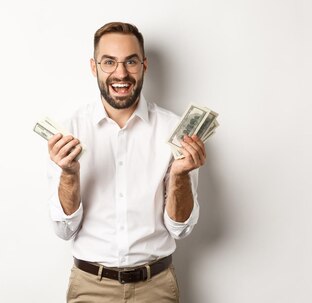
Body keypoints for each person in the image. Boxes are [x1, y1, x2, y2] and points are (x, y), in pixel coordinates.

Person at [46, 22, 205, 302]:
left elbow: (180, 229)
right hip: (90, 288)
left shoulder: (174, 130)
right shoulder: (68, 135)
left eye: (130, 61)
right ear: (94, 67)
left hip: (156, 287)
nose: (121, 73)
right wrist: (69, 174)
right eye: (109, 62)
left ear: (144, 65)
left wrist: (179, 176)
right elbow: (64, 229)